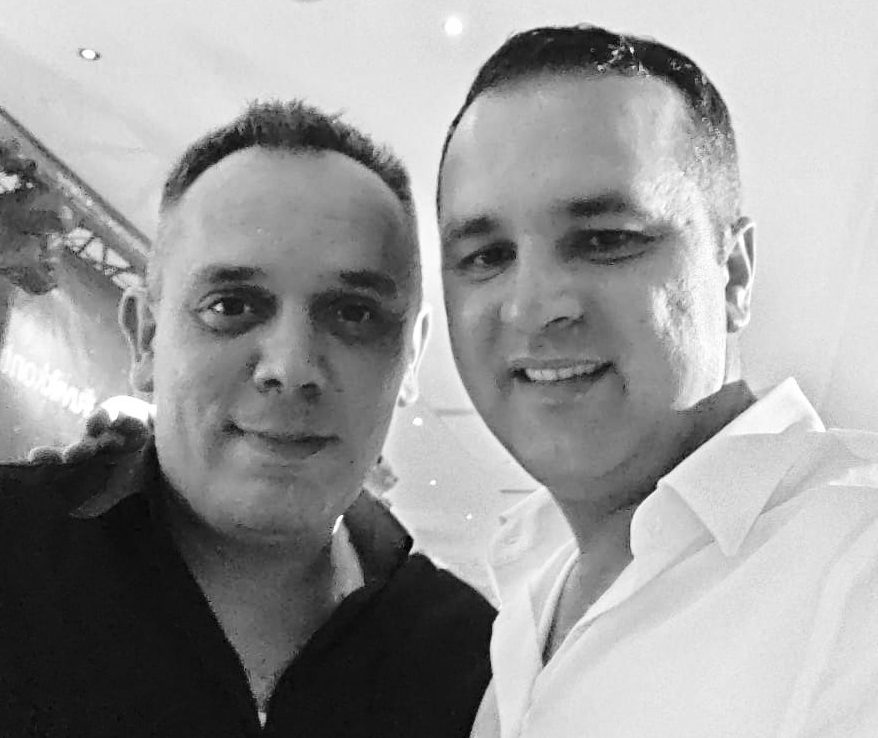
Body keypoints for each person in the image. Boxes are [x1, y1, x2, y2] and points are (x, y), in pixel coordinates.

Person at [436, 24, 878, 737]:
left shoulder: (856, 567)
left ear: (734, 273)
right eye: (487, 255)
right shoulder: (526, 600)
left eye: (606, 240)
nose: (532, 306)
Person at [0, 100, 495, 737]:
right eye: (231, 305)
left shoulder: (472, 668)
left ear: (411, 357)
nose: (290, 367)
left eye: (353, 313)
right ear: (147, 338)